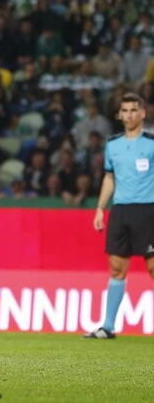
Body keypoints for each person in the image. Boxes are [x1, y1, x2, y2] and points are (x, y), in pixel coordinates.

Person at [84, 93, 154, 339]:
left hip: (149, 210)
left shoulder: (152, 143)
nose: (130, 114)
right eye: (125, 110)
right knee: (116, 269)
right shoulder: (112, 145)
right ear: (119, 115)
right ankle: (108, 326)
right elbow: (109, 177)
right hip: (121, 210)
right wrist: (101, 208)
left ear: (143, 113)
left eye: (134, 110)